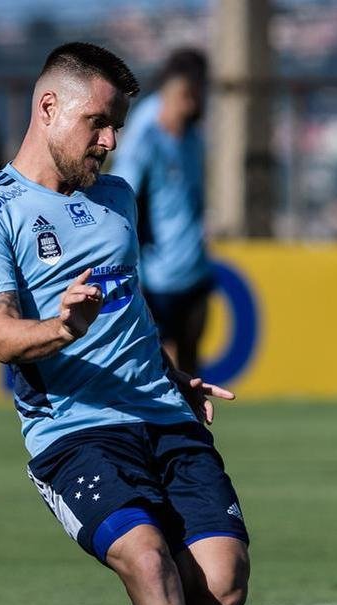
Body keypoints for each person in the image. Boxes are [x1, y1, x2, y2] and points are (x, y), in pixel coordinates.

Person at [0, 42, 264, 605]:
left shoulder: (115, 199)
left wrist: (172, 373)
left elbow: (133, 317)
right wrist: (61, 325)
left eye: (118, 125)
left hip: (162, 413)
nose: (111, 141)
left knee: (222, 582)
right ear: (47, 107)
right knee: (148, 560)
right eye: (99, 123)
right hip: (75, 431)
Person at [111, 48, 212, 376]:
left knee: (191, 370)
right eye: (196, 91)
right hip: (157, 276)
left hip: (193, 267)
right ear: (181, 89)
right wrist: (130, 265)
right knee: (165, 373)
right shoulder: (146, 134)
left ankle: (191, 427)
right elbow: (124, 202)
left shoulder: (192, 134)